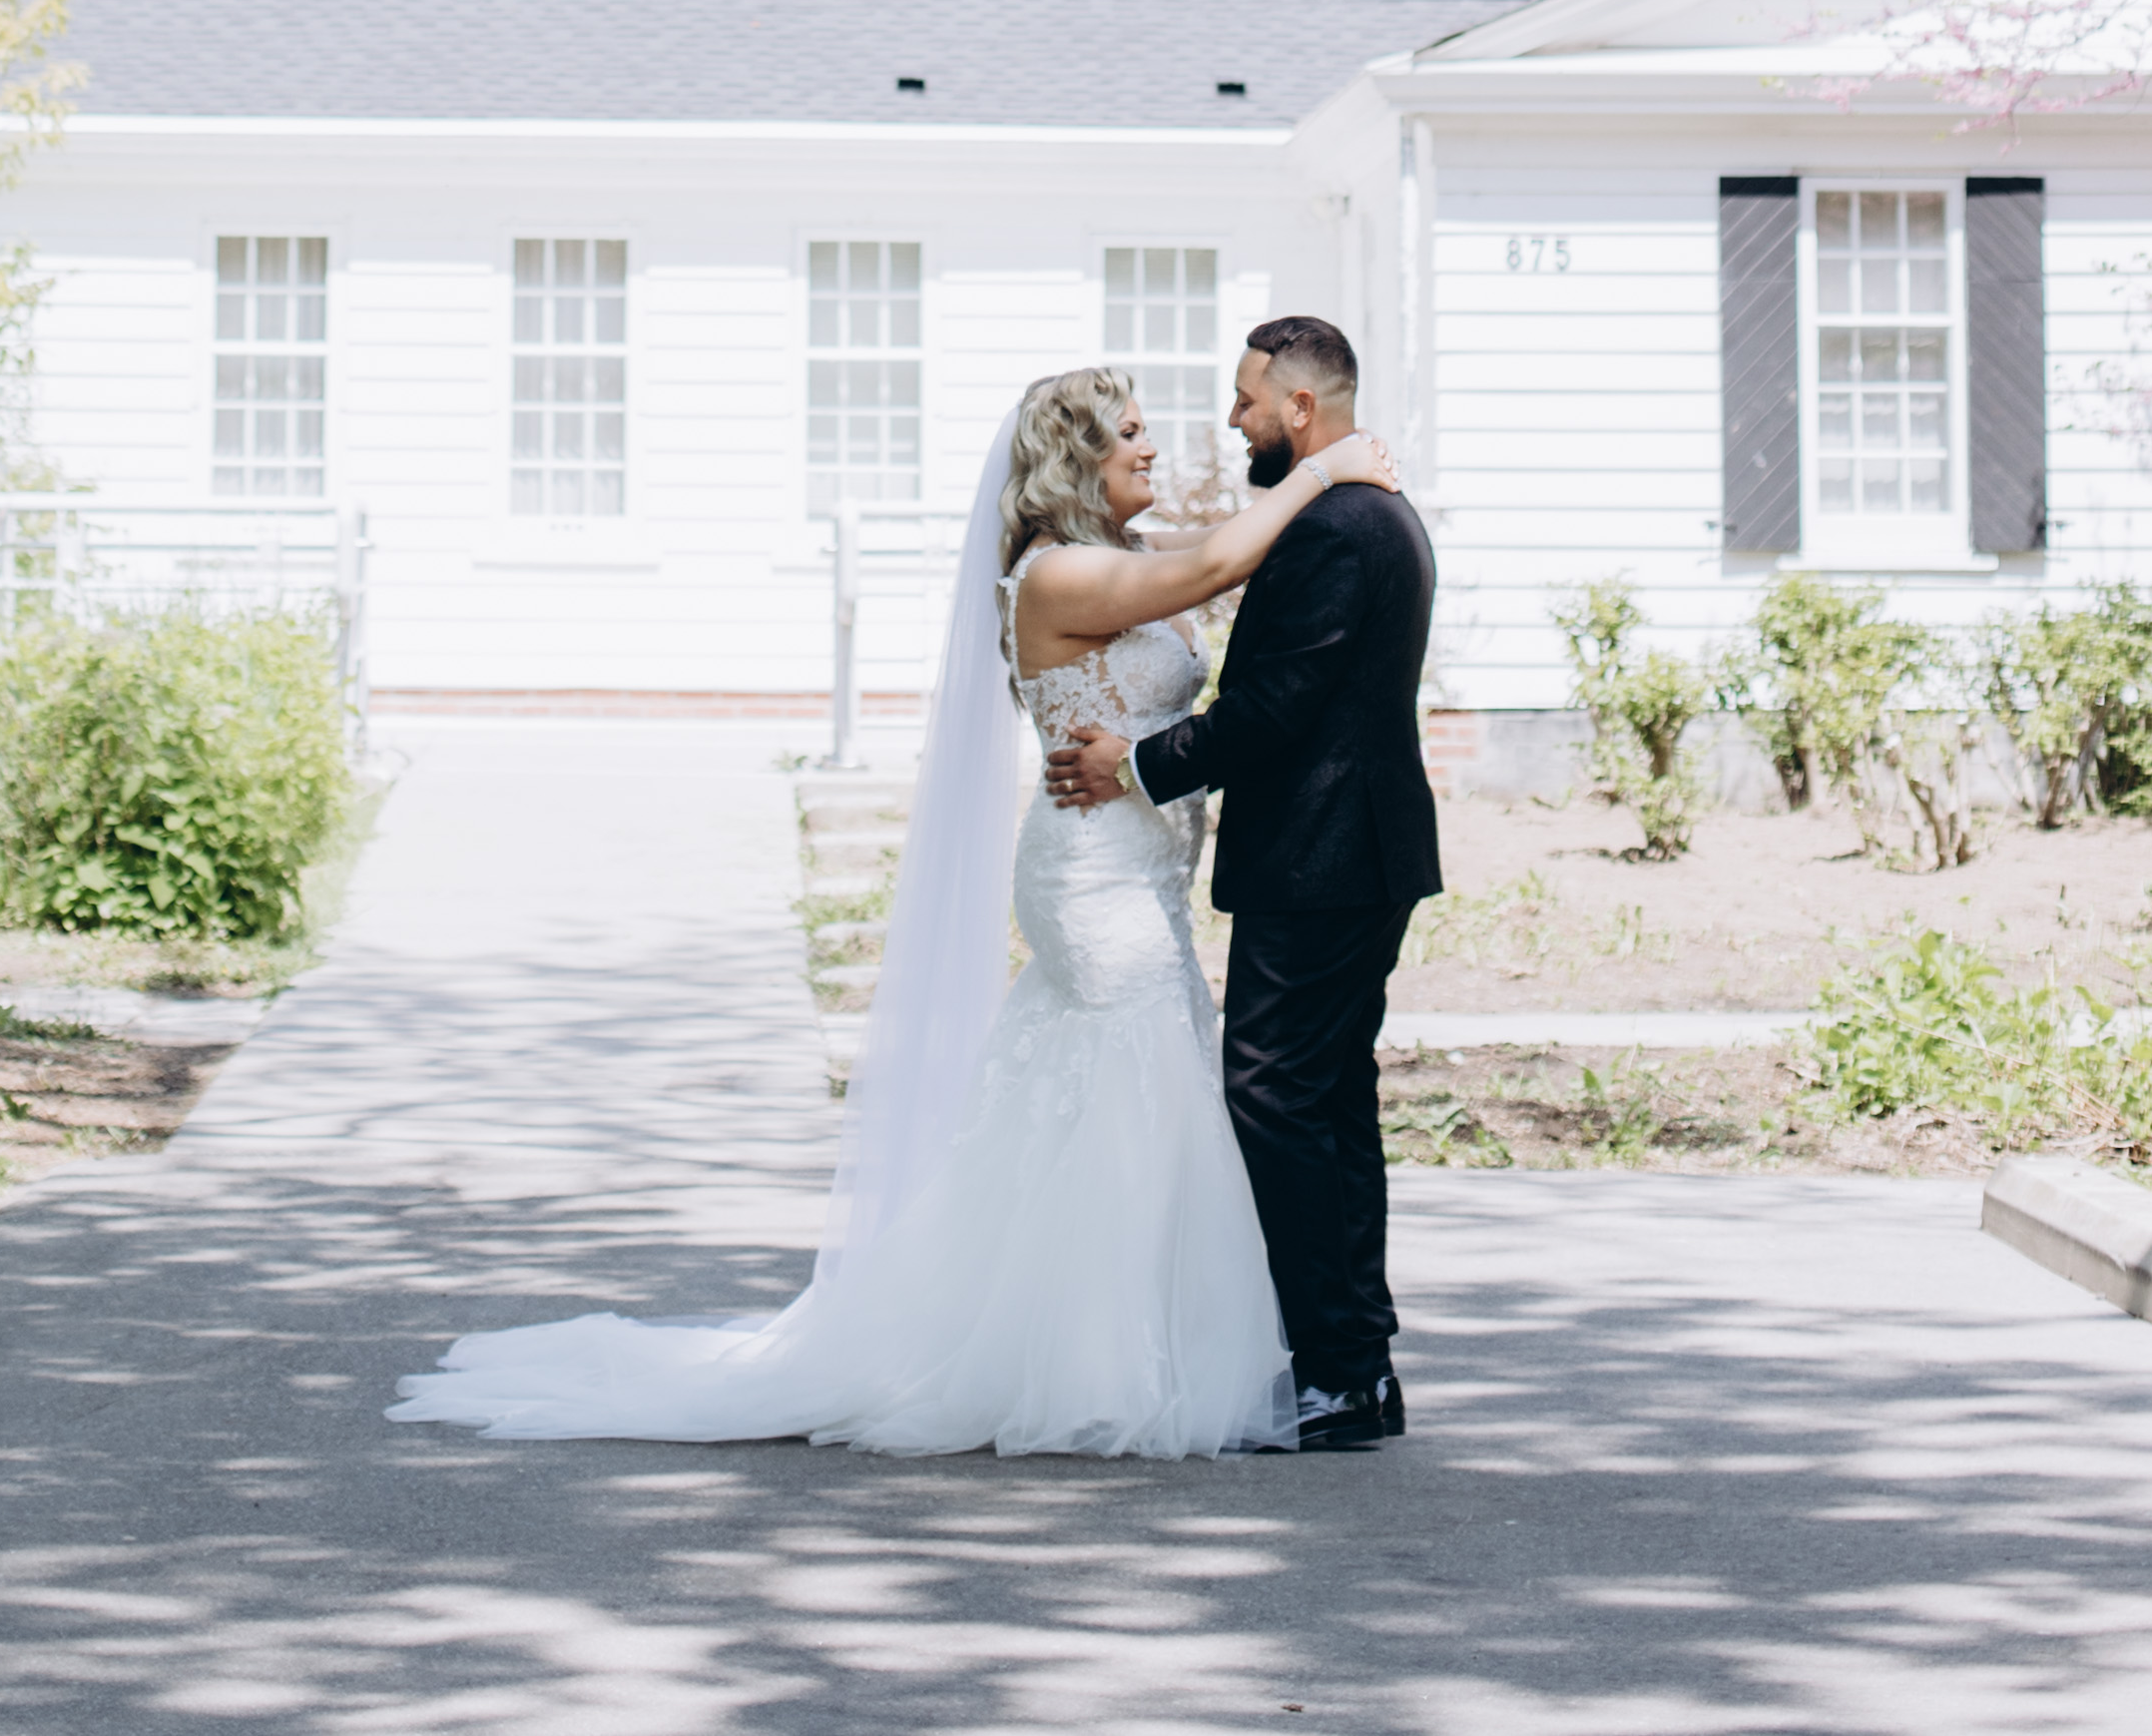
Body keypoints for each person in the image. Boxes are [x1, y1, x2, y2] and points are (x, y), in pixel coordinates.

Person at [391, 361, 1404, 1458]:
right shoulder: (1059, 575)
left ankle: (1119, 1345)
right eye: (1129, 432)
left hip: (1140, 871)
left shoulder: (1113, 557)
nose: (1152, 446)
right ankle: (1101, 1365)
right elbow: (1214, 563)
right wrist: (1329, 470)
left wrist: (1315, 487)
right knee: (1133, 1087)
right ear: (1075, 459)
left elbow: (1209, 552)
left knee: (1118, 1095)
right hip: (1093, 876)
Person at [1045, 310, 1439, 1454]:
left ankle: (1336, 1373)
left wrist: (1137, 764)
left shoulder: (1336, 528)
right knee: (1326, 1101)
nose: (1231, 418)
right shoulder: (1365, 511)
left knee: (1274, 1100)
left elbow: (1271, 709)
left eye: (1245, 400)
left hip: (1322, 857)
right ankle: (1353, 1369)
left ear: (1297, 408)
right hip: (1351, 854)